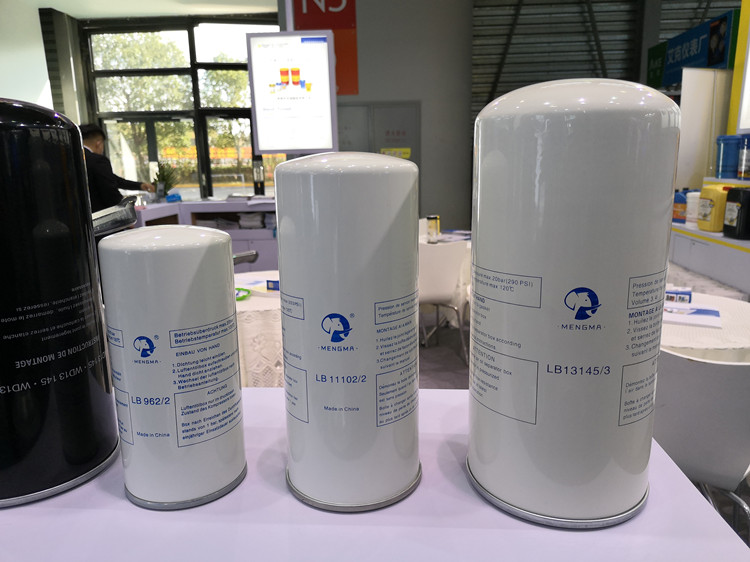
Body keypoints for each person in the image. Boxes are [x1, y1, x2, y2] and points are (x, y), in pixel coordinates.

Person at [79, 123, 154, 212]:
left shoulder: (71, 159)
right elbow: (109, 191)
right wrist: (124, 210)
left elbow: (112, 178)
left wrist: (139, 185)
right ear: (98, 143)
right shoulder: (97, 160)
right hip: (99, 214)